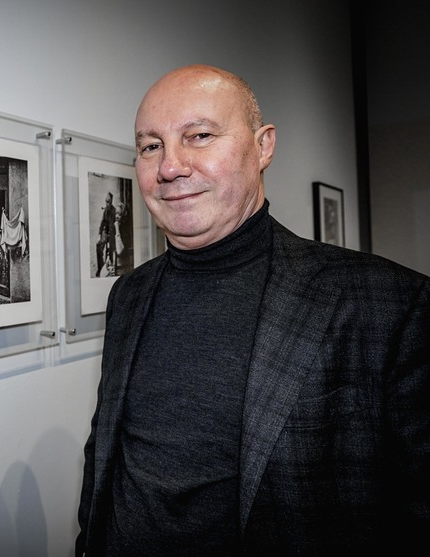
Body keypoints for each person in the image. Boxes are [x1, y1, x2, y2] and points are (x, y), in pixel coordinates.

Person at [76, 64, 430, 556]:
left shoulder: (387, 304)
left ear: (263, 146)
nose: (170, 166)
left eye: (198, 136)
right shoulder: (129, 295)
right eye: (150, 146)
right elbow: (105, 454)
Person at [96, 191, 117, 277]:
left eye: (108, 201)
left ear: (111, 201)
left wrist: (109, 238)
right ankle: (100, 268)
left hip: (112, 235)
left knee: (110, 251)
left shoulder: (114, 211)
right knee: (98, 246)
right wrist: (99, 234)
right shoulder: (105, 211)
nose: (106, 203)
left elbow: (113, 227)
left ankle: (110, 268)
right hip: (106, 233)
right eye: (106, 201)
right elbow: (102, 222)